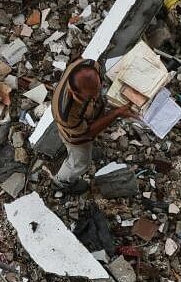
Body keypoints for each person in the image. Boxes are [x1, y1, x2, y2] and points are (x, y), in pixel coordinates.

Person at [51, 58, 135, 195]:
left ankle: (87, 151)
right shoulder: (67, 113)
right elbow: (88, 133)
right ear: (74, 93)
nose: (96, 96)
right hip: (74, 134)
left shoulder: (91, 65)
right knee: (80, 162)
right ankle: (61, 181)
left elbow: (97, 94)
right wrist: (116, 114)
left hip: (85, 118)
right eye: (90, 96)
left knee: (93, 115)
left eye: (98, 89)